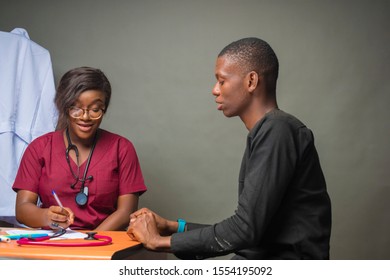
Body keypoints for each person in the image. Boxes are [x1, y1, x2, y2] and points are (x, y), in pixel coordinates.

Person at [127, 37, 332, 259]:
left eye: (222, 80)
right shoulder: (268, 132)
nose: (215, 90)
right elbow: (251, 230)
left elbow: (244, 230)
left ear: (251, 81)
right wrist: (172, 226)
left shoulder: (278, 130)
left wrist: (159, 242)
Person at [13, 66, 147, 230]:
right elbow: (22, 209)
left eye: (95, 109)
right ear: (64, 107)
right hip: (54, 243)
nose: (85, 117)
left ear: (104, 109)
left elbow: (126, 211)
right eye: (76, 108)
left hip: (104, 243)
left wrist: (91, 241)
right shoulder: (39, 148)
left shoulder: (122, 149)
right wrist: (46, 217)